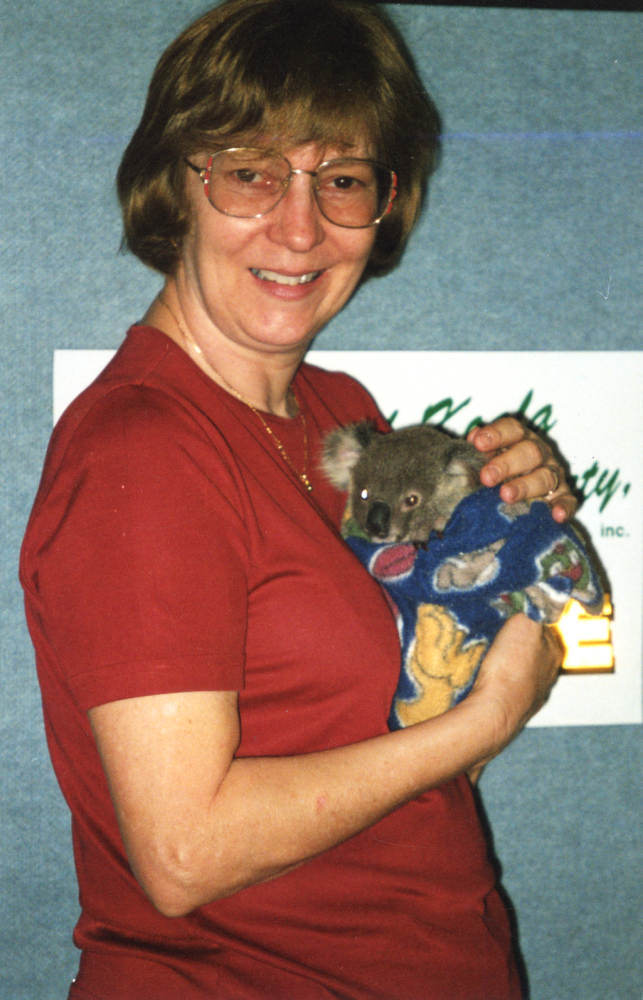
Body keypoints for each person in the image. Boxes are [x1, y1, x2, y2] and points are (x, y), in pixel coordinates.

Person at [20, 2, 576, 997]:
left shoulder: (340, 416)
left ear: (386, 203)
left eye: (342, 179)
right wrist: (487, 721)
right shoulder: (144, 448)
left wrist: (515, 518)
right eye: (252, 173)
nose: (301, 225)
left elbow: (395, 755)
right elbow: (185, 854)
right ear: (176, 184)